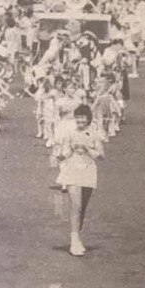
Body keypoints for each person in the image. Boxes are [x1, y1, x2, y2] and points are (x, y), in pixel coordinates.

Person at [56, 105, 104, 256]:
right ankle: (74, 241)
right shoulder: (70, 133)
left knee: (82, 207)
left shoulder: (93, 134)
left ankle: (78, 237)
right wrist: (71, 149)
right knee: (75, 205)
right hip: (72, 170)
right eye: (78, 117)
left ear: (88, 119)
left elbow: (102, 155)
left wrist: (88, 149)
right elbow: (61, 155)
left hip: (88, 171)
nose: (80, 120)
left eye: (83, 117)